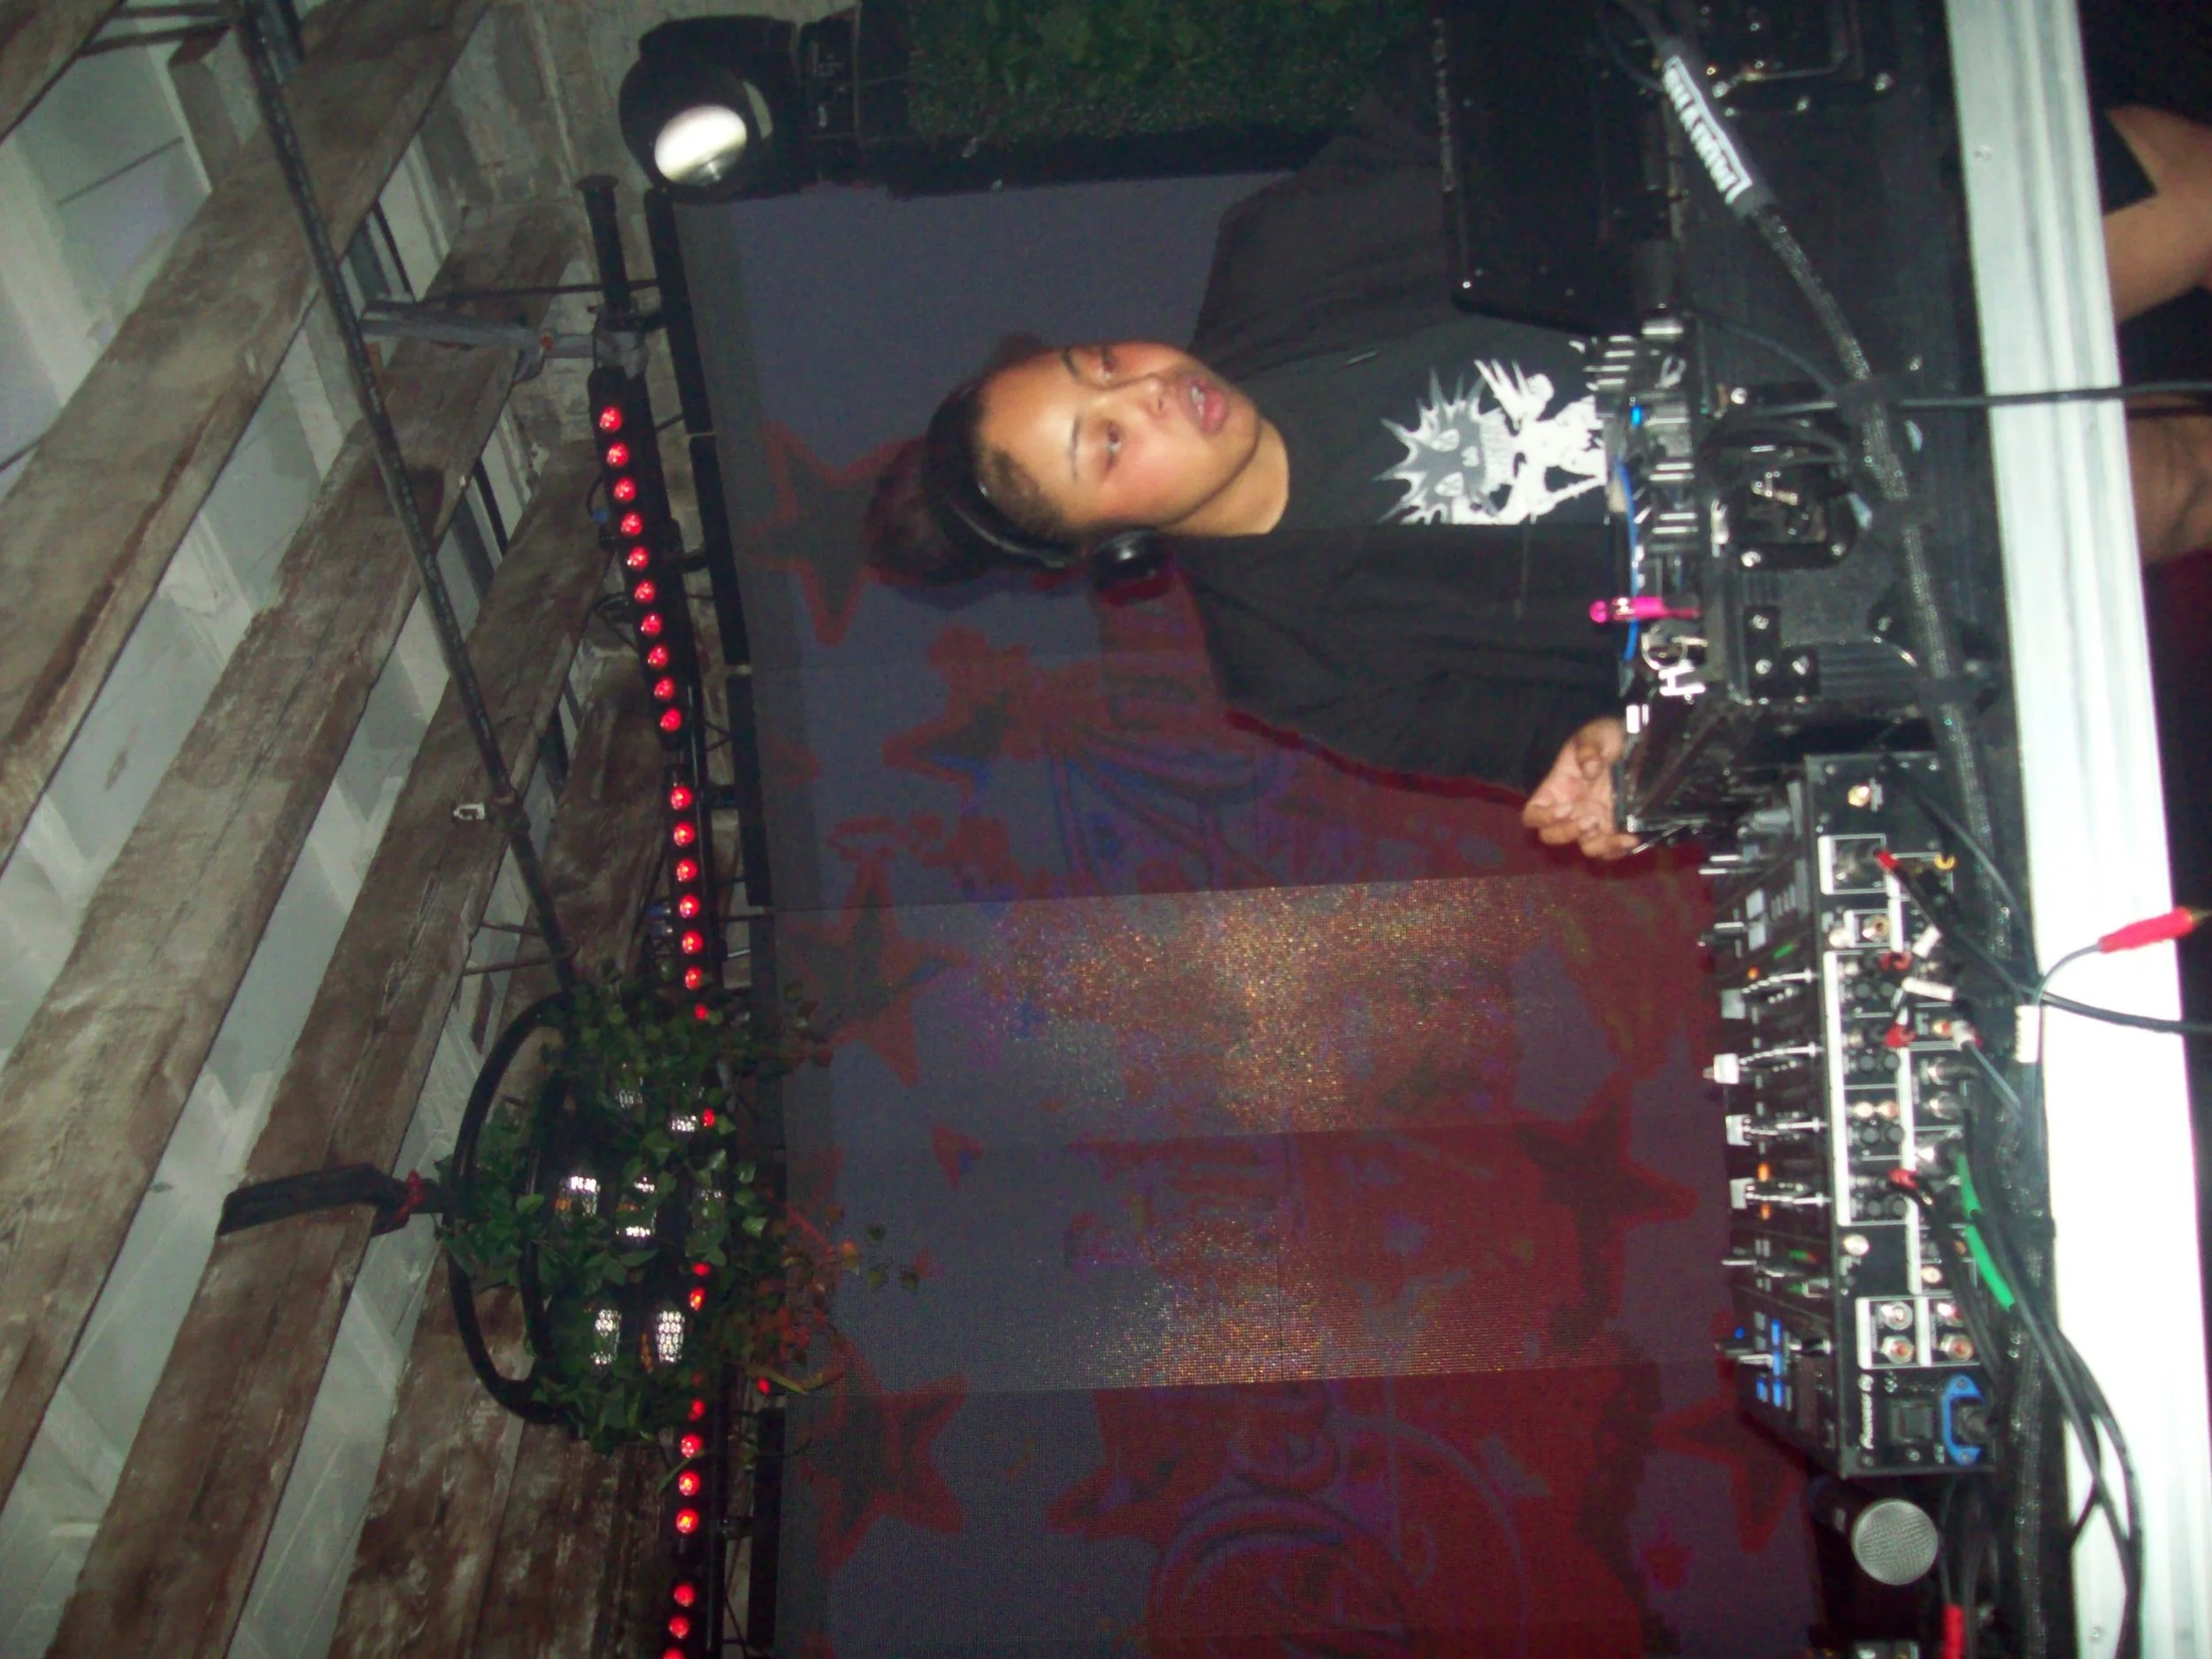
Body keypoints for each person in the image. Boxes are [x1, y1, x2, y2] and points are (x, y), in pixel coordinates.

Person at [865, 15, 2212, 865]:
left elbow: (1462, 76)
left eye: (1103, 366)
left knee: (2184, 185)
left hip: (1847, 268)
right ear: (1116, 549)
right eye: (1105, 446)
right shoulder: (1297, 665)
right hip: (1876, 529)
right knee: (2180, 477)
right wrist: (1605, 753)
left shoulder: (1282, 251)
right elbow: (1555, 738)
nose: (1150, 393)